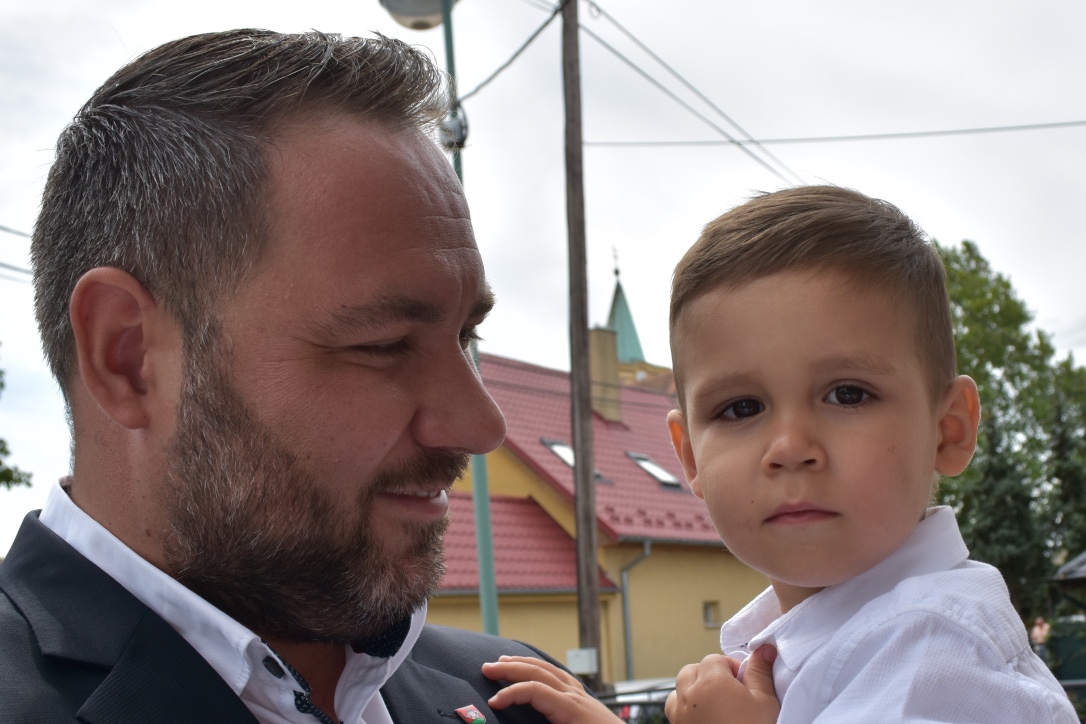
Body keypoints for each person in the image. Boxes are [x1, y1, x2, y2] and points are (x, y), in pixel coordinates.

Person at [0, 29, 565, 724]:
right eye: (385, 345)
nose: (482, 427)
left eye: (464, 337)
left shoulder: (521, 699)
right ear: (128, 357)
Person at [482, 186, 1079, 723]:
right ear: (689, 457)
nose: (790, 448)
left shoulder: (934, 652)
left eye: (847, 394)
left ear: (948, 431)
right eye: (741, 408)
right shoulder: (842, 634)